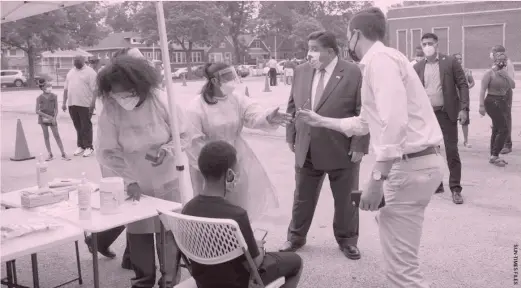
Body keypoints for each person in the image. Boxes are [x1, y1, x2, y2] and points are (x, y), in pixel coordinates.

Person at [297, 7, 444, 287]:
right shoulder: (385, 60)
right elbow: (365, 122)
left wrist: (377, 178)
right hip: (418, 164)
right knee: (400, 254)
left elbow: (395, 121)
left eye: (347, 36)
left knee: (402, 272)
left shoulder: (380, 62)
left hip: (408, 165)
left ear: (355, 34)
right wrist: (320, 120)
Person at [96, 55, 187, 288]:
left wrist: (166, 150)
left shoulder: (161, 101)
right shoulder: (111, 109)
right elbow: (108, 152)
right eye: (117, 93)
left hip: (167, 178)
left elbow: (185, 135)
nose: (122, 98)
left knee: (169, 232)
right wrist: (128, 181)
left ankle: (169, 281)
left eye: (126, 92)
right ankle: (143, 281)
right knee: (139, 234)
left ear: (140, 85)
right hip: (134, 181)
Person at [281, 31, 369, 260]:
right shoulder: (301, 71)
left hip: (342, 148)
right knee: (302, 197)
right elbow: (292, 106)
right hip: (307, 147)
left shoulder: (354, 72)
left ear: (330, 51)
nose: (309, 54)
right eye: (308, 49)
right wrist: (291, 135)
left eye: (314, 49)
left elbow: (364, 111)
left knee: (346, 199)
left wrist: (359, 144)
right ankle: (295, 237)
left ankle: (348, 240)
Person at [182, 140, 303, 288]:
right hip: (238, 281)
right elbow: (254, 262)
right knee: (296, 261)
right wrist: (258, 247)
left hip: (205, 281)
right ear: (229, 174)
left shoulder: (188, 209)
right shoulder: (235, 216)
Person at [185, 62, 291, 221]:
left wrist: (268, 117)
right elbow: (193, 143)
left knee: (237, 203)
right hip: (207, 166)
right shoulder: (196, 106)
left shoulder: (237, 99)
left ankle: (237, 239)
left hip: (236, 158)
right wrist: (211, 168)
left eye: (232, 75)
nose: (232, 80)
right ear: (214, 81)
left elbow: (253, 115)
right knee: (212, 210)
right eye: (227, 77)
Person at [84, 47, 148, 270]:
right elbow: (111, 141)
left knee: (140, 207)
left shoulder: (137, 87)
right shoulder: (114, 87)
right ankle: (99, 239)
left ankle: (131, 257)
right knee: (128, 205)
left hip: (135, 160)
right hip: (116, 157)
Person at [413, 32, 469, 204]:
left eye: (430, 43)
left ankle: (455, 189)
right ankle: (436, 184)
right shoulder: (418, 67)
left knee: (451, 151)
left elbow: (462, 84)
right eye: (424, 44)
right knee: (430, 152)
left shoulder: (450, 62)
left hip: (447, 113)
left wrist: (464, 108)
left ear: (437, 45)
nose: (427, 46)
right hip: (428, 116)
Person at [479, 52, 516, 167]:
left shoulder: (504, 73)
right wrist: (481, 106)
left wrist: (505, 75)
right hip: (492, 102)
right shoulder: (489, 73)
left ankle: (493, 155)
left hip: (503, 102)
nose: (502, 63)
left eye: (504, 60)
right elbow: (482, 90)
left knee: (496, 129)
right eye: (500, 60)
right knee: (504, 129)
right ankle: (495, 155)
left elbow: (513, 85)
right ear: (494, 61)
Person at [62, 55, 97, 158]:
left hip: (85, 104)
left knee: (86, 125)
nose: (76, 62)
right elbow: (66, 89)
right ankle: (81, 146)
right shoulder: (70, 72)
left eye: (78, 61)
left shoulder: (90, 73)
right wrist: (64, 102)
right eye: (75, 61)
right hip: (72, 103)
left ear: (83, 61)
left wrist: (93, 104)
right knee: (77, 126)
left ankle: (89, 147)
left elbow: (95, 90)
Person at [35, 80, 70, 161]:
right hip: (42, 119)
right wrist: (48, 116)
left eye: (50, 86)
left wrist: (54, 118)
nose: (49, 88)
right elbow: (37, 111)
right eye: (47, 86)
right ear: (42, 88)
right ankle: (50, 154)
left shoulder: (54, 96)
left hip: (52, 118)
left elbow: (56, 109)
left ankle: (63, 153)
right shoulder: (39, 98)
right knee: (46, 136)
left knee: (57, 135)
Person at [490, 45, 516, 154]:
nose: (491, 54)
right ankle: (499, 143)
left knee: (505, 118)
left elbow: (509, 82)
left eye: (493, 52)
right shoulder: (497, 63)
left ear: (499, 53)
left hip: (504, 93)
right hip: (497, 92)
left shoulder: (507, 64)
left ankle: (507, 144)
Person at [453, 53, 475, 148]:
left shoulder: (466, 71)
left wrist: (465, 89)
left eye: (460, 59)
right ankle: (453, 141)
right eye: (457, 59)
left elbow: (472, 82)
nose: (459, 60)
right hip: (453, 99)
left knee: (465, 120)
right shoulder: (450, 71)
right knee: (452, 120)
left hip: (464, 99)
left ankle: (466, 141)